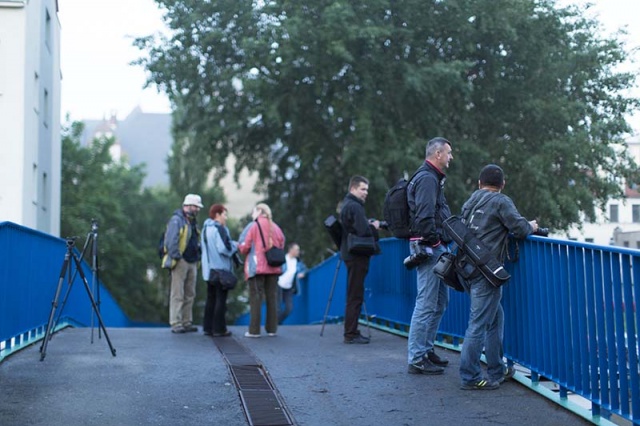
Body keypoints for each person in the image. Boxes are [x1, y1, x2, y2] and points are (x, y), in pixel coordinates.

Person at [458, 164, 537, 390]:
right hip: (485, 272)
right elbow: (520, 229)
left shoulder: (471, 200)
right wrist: (532, 225)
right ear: (502, 185)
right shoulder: (501, 201)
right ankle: (470, 377)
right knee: (478, 325)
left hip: (465, 268)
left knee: (494, 318)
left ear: (479, 183)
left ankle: (496, 369)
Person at [406, 137, 454, 374]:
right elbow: (425, 216)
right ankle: (416, 358)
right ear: (437, 154)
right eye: (448, 153)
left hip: (434, 246)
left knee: (440, 301)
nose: (451, 157)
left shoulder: (430, 177)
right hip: (430, 247)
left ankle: (425, 349)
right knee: (426, 302)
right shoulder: (427, 179)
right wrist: (435, 241)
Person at [340, 175, 380, 344]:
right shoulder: (355, 206)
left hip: (350, 254)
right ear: (353, 189)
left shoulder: (346, 204)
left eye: (367, 190)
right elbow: (363, 231)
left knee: (353, 293)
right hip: (357, 255)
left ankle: (351, 331)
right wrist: (374, 226)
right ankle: (351, 333)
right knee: (355, 294)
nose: (366, 193)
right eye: (363, 189)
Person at [238, 203, 286, 338]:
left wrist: (240, 247)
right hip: (274, 267)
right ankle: (272, 329)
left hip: (257, 267)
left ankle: (254, 331)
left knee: (255, 298)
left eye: (254, 211)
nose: (252, 214)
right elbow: (282, 243)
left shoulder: (254, 226)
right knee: (272, 297)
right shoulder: (276, 227)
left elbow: (245, 247)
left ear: (259, 211)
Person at [162, 193, 203, 334]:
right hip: (181, 261)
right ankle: (176, 322)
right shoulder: (177, 220)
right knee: (178, 293)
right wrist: (177, 257)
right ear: (188, 206)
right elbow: (170, 240)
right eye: (196, 207)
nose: (197, 209)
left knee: (190, 293)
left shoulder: (191, 221)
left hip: (192, 261)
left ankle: (186, 321)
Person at [201, 204, 238, 337]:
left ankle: (208, 327)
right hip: (221, 269)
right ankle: (220, 329)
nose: (226, 218)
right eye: (224, 214)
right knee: (221, 300)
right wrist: (235, 246)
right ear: (217, 215)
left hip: (208, 270)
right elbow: (223, 248)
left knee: (211, 299)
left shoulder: (205, 228)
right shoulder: (220, 229)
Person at [277, 243, 308, 324]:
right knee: (277, 308)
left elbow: (305, 269)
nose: (298, 251)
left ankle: (277, 322)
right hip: (279, 285)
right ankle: (274, 326)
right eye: (297, 249)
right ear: (291, 250)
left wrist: (302, 273)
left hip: (289, 288)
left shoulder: (298, 262)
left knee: (289, 309)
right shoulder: (283, 258)